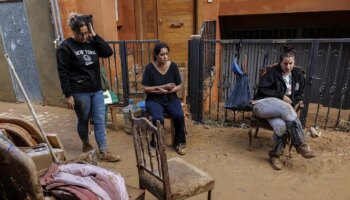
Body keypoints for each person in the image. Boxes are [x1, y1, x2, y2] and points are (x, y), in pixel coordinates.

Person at [56, 13, 119, 162]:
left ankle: (104, 151)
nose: (84, 37)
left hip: (96, 89)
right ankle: (85, 143)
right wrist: (68, 94)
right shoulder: (65, 47)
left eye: (86, 33)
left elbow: (108, 52)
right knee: (83, 120)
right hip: (79, 91)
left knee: (99, 120)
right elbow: (63, 71)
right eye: (80, 34)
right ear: (73, 31)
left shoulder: (92, 42)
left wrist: (95, 35)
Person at [252, 45, 316, 170]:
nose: (288, 66)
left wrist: (292, 101)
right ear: (280, 62)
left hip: (282, 110)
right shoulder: (272, 72)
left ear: (294, 62)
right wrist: (281, 96)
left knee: (282, 126)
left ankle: (275, 155)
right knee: (286, 108)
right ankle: (301, 145)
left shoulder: (297, 74)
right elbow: (262, 89)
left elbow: (300, 93)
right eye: (285, 63)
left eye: (291, 63)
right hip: (262, 104)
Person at [141, 42, 186, 155]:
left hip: (171, 98)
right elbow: (145, 89)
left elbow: (179, 86)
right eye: (162, 54)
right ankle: (154, 144)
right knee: (157, 118)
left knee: (179, 115)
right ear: (156, 55)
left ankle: (179, 142)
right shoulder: (150, 68)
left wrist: (167, 91)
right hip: (154, 100)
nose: (165, 56)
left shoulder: (173, 66)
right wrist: (161, 88)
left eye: (166, 54)